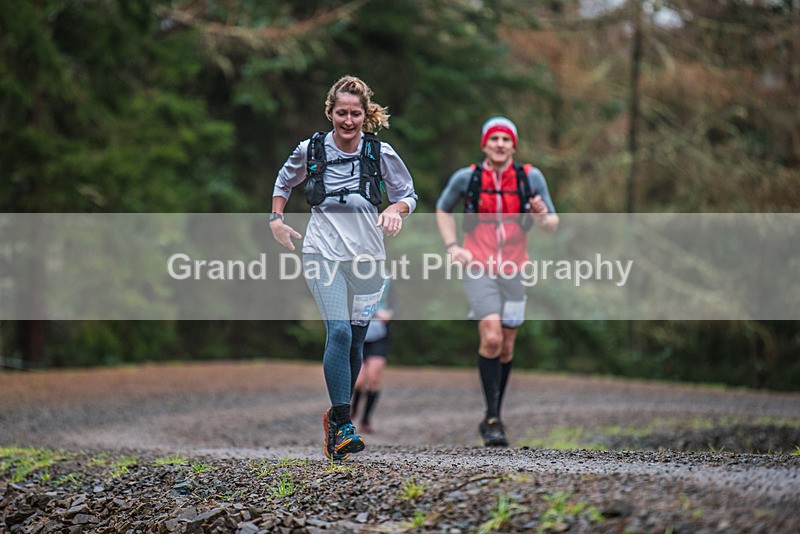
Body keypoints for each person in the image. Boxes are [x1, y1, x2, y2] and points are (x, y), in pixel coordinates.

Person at [269, 75, 417, 460]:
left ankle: (338, 425)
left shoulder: (379, 153)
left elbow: (408, 195)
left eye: (355, 113)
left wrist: (394, 209)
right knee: (337, 331)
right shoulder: (311, 149)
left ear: (365, 115)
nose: (347, 121)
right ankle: (342, 421)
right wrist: (276, 219)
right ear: (330, 112)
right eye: (341, 113)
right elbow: (285, 180)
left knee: (354, 340)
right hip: (322, 252)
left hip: (368, 258)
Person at [435, 116, 558, 447]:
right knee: (490, 337)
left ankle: (495, 414)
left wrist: (540, 215)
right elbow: (442, 209)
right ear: (484, 144)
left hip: (515, 269)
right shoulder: (468, 177)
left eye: (506, 139)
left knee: (506, 346)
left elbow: (552, 223)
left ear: (514, 145)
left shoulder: (530, 178)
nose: (500, 144)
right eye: (494, 139)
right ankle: (492, 419)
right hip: (478, 265)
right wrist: (452, 247)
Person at [350, 278, 396, 434]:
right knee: (358, 381)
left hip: (379, 335)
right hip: (359, 333)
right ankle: (353, 409)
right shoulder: (353, 274)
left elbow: (396, 303)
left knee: (374, 377)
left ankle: (365, 419)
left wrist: (391, 313)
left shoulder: (388, 278)